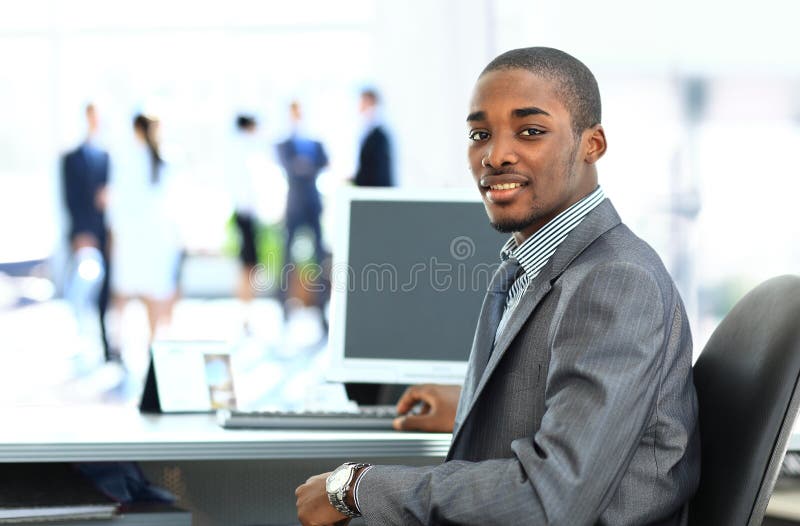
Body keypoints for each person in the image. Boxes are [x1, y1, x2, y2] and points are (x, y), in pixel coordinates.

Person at [295, 47, 700, 525]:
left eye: (530, 131)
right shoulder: (535, 263)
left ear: (592, 144)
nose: (495, 155)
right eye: (479, 134)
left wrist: (358, 487)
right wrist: (475, 404)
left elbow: (552, 498)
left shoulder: (615, 280)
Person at [106, 113, 182, 344]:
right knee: (152, 293)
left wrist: (114, 233)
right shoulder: (160, 159)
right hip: (155, 239)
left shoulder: (131, 160)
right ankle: (151, 344)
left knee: (126, 293)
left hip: (138, 238)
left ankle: (119, 343)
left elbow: (117, 203)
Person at [62, 103, 114, 361]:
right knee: (82, 290)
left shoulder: (107, 157)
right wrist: (80, 234)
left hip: (105, 233)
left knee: (106, 294)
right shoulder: (71, 158)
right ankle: (81, 344)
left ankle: (105, 345)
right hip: (84, 235)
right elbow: (70, 199)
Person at [275, 101, 329, 323]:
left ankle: (321, 303)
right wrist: (303, 166)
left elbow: (323, 162)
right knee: (287, 255)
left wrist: (303, 165)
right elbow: (289, 166)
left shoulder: (315, 143)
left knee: (319, 255)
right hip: (294, 206)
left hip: (313, 204)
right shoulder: (284, 143)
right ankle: (283, 303)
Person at [230, 114, 261, 325]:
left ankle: (247, 311)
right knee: (248, 265)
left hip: (246, 214)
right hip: (245, 214)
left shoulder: (241, 149)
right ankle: (245, 313)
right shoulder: (242, 150)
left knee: (249, 265)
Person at [353, 88, 393, 187]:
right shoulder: (367, 133)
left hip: (375, 192)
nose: (359, 106)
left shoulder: (379, 136)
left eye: (362, 102)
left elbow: (378, 172)